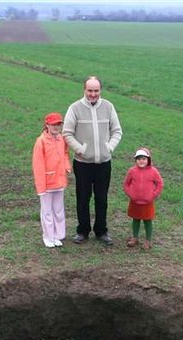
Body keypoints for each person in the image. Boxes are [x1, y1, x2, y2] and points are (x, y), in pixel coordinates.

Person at [62, 76, 123, 246]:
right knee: (83, 198)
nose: (93, 94)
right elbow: (67, 133)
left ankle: (101, 231)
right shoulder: (74, 108)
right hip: (83, 164)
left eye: (96, 90)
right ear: (84, 90)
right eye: (90, 90)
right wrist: (81, 149)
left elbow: (117, 131)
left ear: (100, 90)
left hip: (104, 163)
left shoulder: (109, 107)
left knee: (102, 199)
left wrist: (109, 147)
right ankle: (82, 231)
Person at [32, 112, 71, 248]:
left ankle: (58, 235)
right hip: (47, 183)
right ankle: (48, 237)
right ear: (47, 125)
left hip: (59, 181)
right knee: (47, 211)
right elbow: (38, 165)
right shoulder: (41, 141)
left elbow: (65, 153)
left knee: (58, 210)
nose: (56, 127)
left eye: (59, 124)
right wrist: (41, 187)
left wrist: (66, 166)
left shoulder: (61, 139)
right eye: (53, 124)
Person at [123, 147, 163, 250]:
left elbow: (160, 184)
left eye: (144, 158)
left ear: (148, 160)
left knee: (147, 221)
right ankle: (135, 238)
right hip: (135, 201)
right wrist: (130, 194)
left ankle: (148, 240)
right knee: (135, 219)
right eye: (139, 158)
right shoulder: (132, 171)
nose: (141, 161)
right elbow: (126, 184)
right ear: (135, 160)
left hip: (147, 202)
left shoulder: (153, 171)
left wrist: (153, 195)